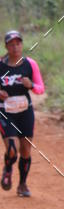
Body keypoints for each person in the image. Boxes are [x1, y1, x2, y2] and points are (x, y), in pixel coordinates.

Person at [0, 30, 45, 197]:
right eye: (11, 44)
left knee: (25, 151)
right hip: (5, 112)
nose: (15, 47)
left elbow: (40, 89)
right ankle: (8, 168)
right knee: (13, 149)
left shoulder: (30, 64)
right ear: (6, 46)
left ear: (22, 45)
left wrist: (31, 85)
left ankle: (22, 185)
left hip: (25, 112)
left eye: (18, 43)